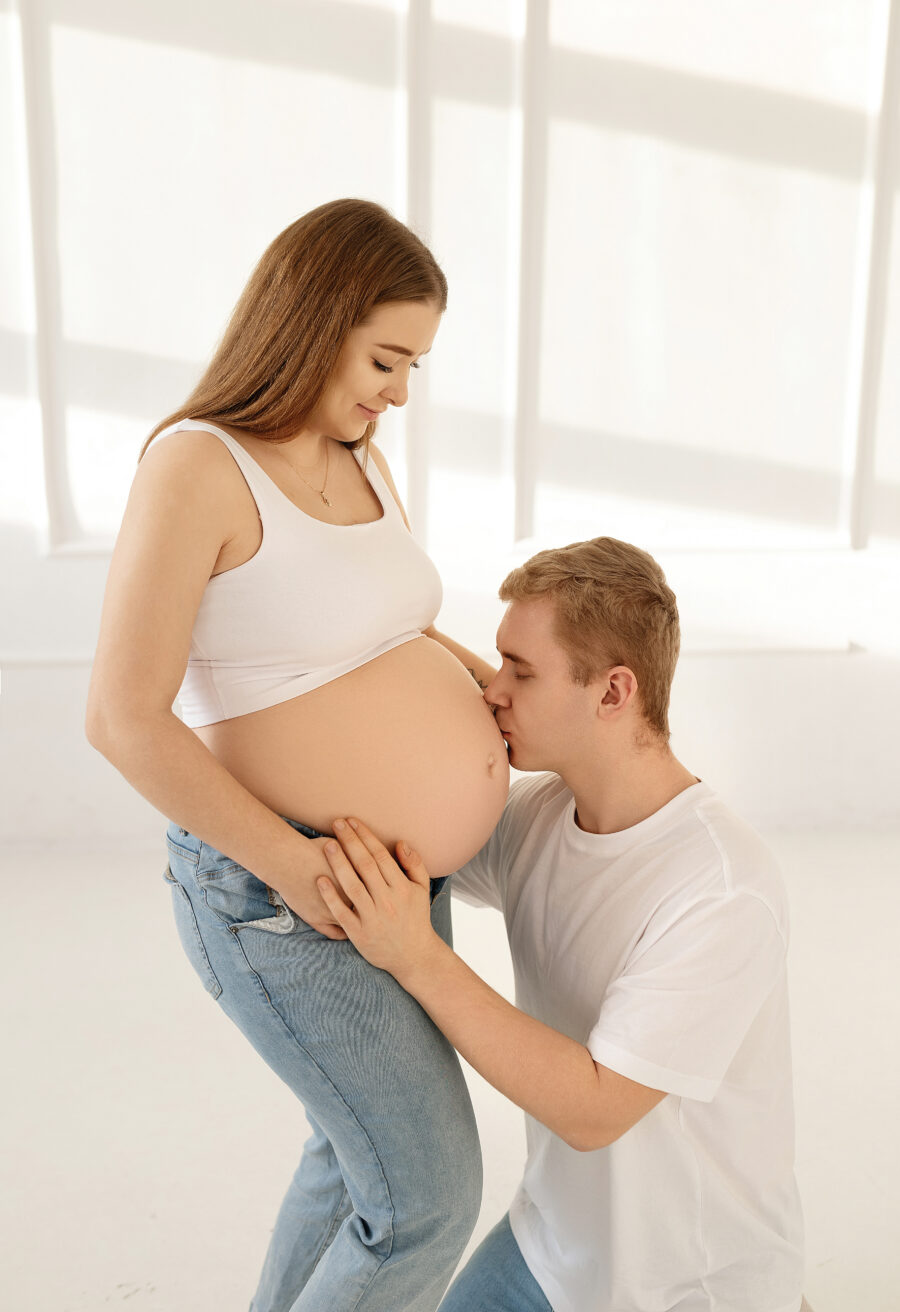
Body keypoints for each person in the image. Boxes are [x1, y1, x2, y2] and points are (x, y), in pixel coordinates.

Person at [85, 198, 510, 1312]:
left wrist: (513, 703)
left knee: (353, 1159)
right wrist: (299, 866)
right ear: (314, 320)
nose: (399, 393)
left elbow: (396, 630)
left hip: (395, 884)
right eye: (385, 359)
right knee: (424, 1199)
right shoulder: (198, 466)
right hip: (287, 893)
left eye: (414, 365)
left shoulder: (360, 457)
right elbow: (123, 716)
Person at [317, 536, 807, 1312]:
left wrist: (416, 956)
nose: (492, 690)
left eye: (521, 670)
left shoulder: (721, 889)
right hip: (548, 1251)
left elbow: (593, 1109)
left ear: (614, 693)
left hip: (691, 1290)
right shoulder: (538, 817)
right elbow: (422, 816)